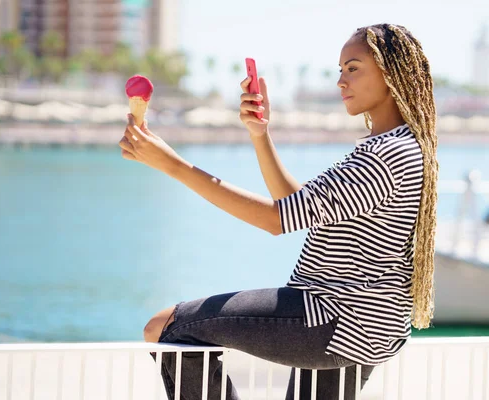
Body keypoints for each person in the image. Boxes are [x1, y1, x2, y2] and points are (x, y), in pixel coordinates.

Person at [119, 23, 438, 400]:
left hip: (333, 318)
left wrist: (172, 165)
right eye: (340, 70)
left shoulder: (382, 157)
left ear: (391, 74)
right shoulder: (403, 147)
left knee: (167, 327)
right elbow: (297, 205)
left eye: (353, 68)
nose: (341, 81)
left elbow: (275, 220)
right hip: (370, 328)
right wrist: (260, 135)